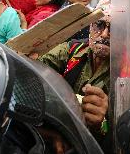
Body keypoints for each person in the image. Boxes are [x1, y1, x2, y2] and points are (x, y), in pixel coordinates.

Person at [38, 18, 110, 152]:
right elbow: (36, 68)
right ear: (90, 27)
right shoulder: (73, 49)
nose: (105, 34)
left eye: (115, 29)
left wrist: (101, 125)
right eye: (99, 25)